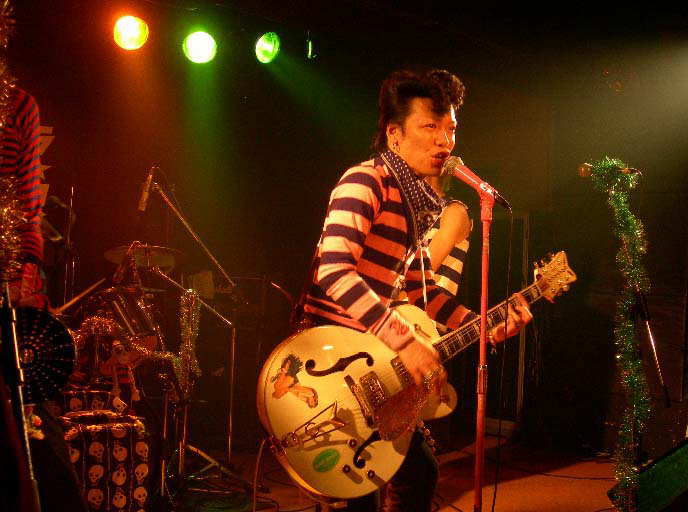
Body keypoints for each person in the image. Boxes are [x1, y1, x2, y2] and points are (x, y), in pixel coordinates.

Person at [299, 69, 532, 511]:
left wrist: (482, 323)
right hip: (333, 366)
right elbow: (334, 270)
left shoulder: (417, 206)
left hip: (372, 361)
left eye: (451, 129)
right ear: (394, 134)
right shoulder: (365, 181)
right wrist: (404, 341)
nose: (445, 141)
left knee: (416, 474)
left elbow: (421, 291)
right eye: (430, 126)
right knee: (367, 492)